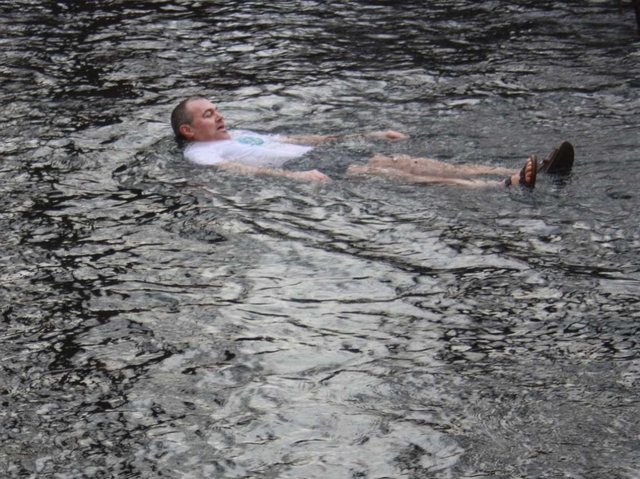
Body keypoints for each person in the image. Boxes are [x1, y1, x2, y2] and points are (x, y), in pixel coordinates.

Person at [171, 96, 574, 188]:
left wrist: (367, 134)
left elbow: (298, 137)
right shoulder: (201, 154)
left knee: (408, 160)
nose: (219, 116)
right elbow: (243, 169)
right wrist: (300, 178)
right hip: (304, 168)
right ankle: (501, 187)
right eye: (208, 115)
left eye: (216, 110)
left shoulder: (237, 133)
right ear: (188, 129)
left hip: (321, 153)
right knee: (389, 172)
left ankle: (519, 171)